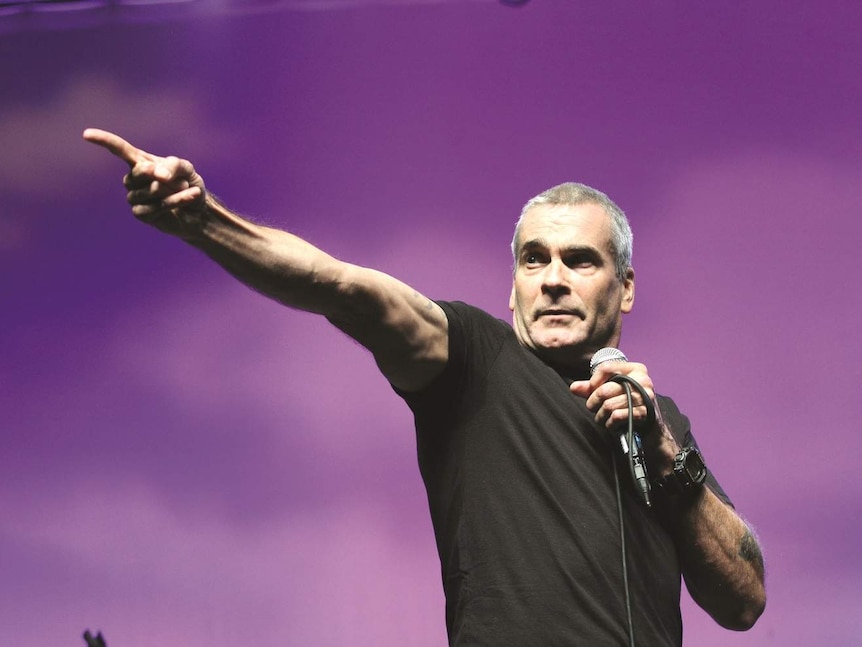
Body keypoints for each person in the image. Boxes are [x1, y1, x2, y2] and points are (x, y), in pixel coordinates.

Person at [83, 128, 766, 646]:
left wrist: (665, 451)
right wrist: (203, 221)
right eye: (534, 259)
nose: (553, 278)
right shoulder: (474, 358)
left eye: (580, 260)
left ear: (625, 287)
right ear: (512, 284)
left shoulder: (658, 419)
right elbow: (340, 285)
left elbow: (744, 600)